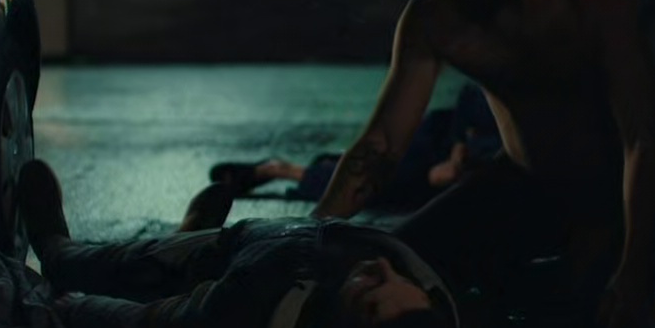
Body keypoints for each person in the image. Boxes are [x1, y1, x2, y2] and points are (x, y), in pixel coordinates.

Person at [309, 0, 655, 328]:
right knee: (384, 267)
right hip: (518, 184)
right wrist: (312, 233)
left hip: (602, 201)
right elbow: (384, 144)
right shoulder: (436, 16)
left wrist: (637, 268)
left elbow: (642, 141)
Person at [16, 159, 473, 328]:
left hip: (242, 267)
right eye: (406, 288)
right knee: (157, 260)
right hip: (269, 245)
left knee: (99, 269)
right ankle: (184, 239)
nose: (382, 269)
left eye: (370, 296)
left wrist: (74, 309)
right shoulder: (443, 322)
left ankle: (62, 252)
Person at [208, 82, 500, 208]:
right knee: (376, 174)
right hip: (440, 139)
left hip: (453, 173)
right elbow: (472, 95)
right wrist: (457, 148)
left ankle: (292, 169)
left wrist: (457, 170)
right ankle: (286, 169)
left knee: (383, 183)